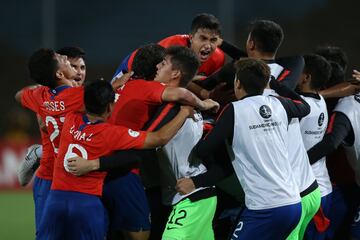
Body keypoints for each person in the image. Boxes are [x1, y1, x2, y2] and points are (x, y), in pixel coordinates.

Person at [68, 45, 219, 240]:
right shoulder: (168, 102)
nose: (159, 67)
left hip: (182, 192)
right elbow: (153, 140)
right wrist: (203, 103)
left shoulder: (139, 92)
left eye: (163, 63)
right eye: (160, 63)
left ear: (174, 73)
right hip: (135, 176)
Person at [37, 80, 194, 240]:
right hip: (87, 203)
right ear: (110, 107)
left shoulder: (70, 118)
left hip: (55, 200)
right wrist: (184, 112)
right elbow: (159, 138)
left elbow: (48, 118)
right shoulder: (111, 133)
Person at [192, 58, 310, 239]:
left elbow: (203, 150)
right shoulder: (279, 104)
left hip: (264, 208)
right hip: (294, 204)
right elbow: (304, 107)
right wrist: (277, 85)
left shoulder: (234, 110)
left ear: (237, 83)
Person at [17, 47, 87, 188]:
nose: (79, 71)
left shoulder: (85, 94)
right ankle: (39, 152)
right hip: (50, 174)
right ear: (59, 73)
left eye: (83, 67)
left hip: (79, 174)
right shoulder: (47, 93)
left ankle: (38, 152)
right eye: (73, 66)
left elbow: (19, 95)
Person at [113, 13, 225, 79]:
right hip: (133, 67)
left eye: (213, 40)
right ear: (191, 37)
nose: (208, 46)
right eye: (203, 38)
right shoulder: (172, 47)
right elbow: (158, 79)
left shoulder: (218, 59)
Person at [296, 54, 333, 240]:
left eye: (298, 70)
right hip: (323, 189)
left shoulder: (300, 107)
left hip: (306, 192)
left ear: (306, 77)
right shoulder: (320, 100)